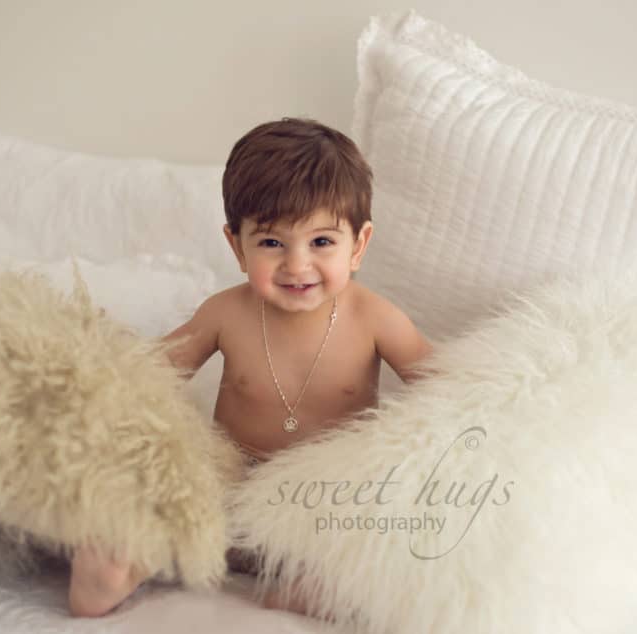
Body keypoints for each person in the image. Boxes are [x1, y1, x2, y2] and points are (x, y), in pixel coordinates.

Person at [68, 117, 432, 618]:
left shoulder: (376, 319)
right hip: (230, 490)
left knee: (387, 539)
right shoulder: (226, 314)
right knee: (167, 503)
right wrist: (94, 369)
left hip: (319, 501)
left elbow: (447, 390)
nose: (297, 265)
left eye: (321, 242)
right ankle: (119, 566)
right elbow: (149, 374)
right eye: (272, 243)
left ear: (359, 244)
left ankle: (310, 586)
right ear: (238, 246)